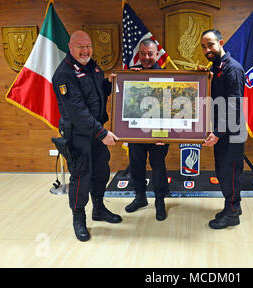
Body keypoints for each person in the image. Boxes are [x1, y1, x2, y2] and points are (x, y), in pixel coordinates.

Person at [52, 30, 121, 242]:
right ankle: (78, 218)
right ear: (70, 48)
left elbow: (100, 92)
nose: (85, 50)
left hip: (97, 132)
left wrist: (119, 82)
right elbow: (76, 111)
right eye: (80, 46)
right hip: (79, 134)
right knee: (82, 176)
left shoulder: (93, 66)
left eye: (88, 45)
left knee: (101, 171)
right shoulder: (64, 74)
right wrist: (102, 133)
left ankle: (98, 209)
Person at [200, 29, 247, 229]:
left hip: (232, 132)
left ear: (221, 42)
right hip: (222, 130)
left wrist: (218, 132)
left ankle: (232, 213)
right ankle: (232, 205)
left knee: (230, 172)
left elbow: (234, 105)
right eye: (203, 46)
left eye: (210, 44)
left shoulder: (232, 68)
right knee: (223, 171)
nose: (207, 49)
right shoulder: (218, 67)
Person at [123, 38, 170, 221]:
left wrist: (168, 134)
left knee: (158, 167)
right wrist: (125, 79)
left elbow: (171, 105)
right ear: (139, 54)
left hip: (159, 132)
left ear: (157, 54)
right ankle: (140, 198)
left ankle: (159, 201)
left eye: (150, 53)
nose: (146, 57)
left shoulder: (167, 76)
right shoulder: (132, 74)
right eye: (143, 54)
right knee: (136, 165)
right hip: (137, 131)